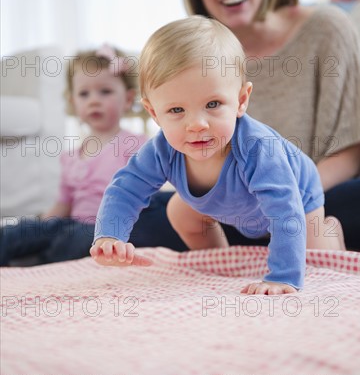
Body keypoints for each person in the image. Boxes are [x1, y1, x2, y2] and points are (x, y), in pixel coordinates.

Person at [180, 0, 360, 253]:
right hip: (247, 213)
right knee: (158, 212)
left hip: (331, 192)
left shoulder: (327, 26)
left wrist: (287, 199)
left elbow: (354, 148)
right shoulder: (202, 62)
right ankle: (60, 237)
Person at [90, 16, 345, 295]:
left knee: (317, 258)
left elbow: (286, 211)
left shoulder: (259, 149)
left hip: (298, 200)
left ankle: (329, 230)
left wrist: (282, 277)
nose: (197, 124)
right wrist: (110, 236)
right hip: (234, 204)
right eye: (176, 110)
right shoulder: (161, 151)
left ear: (241, 100)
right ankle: (220, 261)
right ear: (154, 113)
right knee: (178, 210)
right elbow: (126, 188)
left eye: (213, 104)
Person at [0, 45, 148, 266]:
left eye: (105, 91)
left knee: (79, 239)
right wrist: (39, 226)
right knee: (22, 231)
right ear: (73, 103)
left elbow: (145, 197)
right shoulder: (70, 156)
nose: (94, 100)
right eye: (84, 94)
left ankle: (39, 265)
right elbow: (62, 206)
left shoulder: (135, 145)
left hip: (107, 230)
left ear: (127, 99)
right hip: (70, 222)